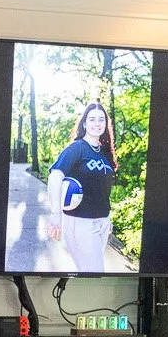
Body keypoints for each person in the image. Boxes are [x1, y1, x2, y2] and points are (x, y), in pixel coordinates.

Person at [48, 101, 118, 273]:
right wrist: (55, 214)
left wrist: (106, 217)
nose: (97, 123)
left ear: (106, 124)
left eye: (101, 120)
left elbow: (103, 191)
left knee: (88, 271)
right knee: (95, 272)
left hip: (101, 223)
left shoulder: (104, 153)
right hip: (80, 222)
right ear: (85, 123)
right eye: (92, 119)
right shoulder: (77, 148)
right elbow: (55, 176)